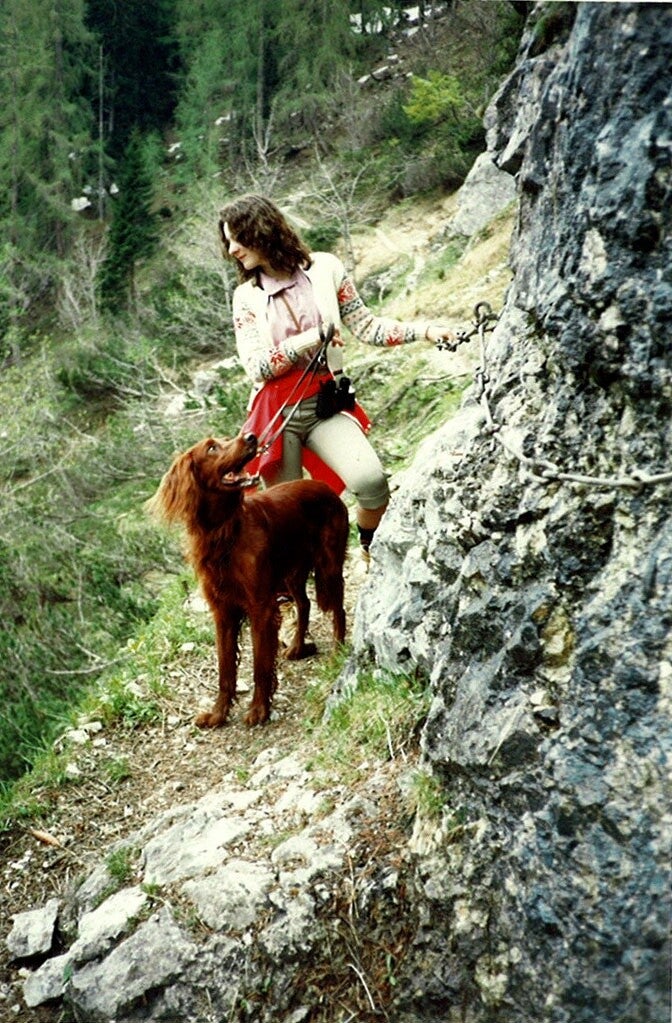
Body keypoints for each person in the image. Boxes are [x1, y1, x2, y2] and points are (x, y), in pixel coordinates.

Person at [218, 193, 457, 565]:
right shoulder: (245, 297)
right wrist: (309, 339)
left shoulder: (325, 269)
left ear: (262, 230)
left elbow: (367, 326)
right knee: (289, 519)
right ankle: (294, 585)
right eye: (228, 241)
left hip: (325, 403)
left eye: (238, 238)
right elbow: (257, 367)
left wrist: (425, 331)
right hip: (276, 416)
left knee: (371, 482)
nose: (232, 249)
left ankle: (371, 551)